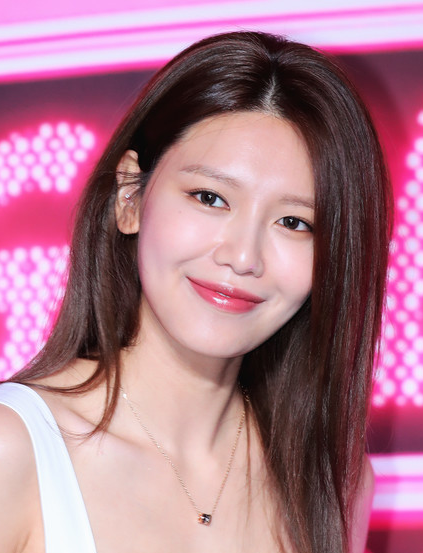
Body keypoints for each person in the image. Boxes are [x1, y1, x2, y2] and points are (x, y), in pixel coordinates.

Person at [0, 31, 392, 553]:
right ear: (129, 197)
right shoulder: (13, 449)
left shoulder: (334, 482)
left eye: (295, 223)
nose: (243, 257)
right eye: (210, 197)